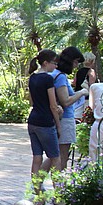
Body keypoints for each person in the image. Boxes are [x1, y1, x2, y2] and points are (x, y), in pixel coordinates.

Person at [44, 46, 89, 171]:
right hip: (65, 119)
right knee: (62, 156)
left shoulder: (54, 74)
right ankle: (59, 186)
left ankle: (37, 182)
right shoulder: (60, 77)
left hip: (59, 118)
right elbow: (66, 101)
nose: (76, 66)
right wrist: (81, 93)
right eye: (75, 62)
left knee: (54, 156)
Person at [26, 49, 62, 191]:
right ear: (46, 63)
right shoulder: (48, 79)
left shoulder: (33, 78)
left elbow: (32, 101)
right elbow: (53, 105)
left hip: (33, 120)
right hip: (45, 122)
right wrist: (58, 124)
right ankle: (58, 193)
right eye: (54, 63)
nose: (55, 66)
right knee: (55, 158)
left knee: (37, 157)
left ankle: (37, 191)